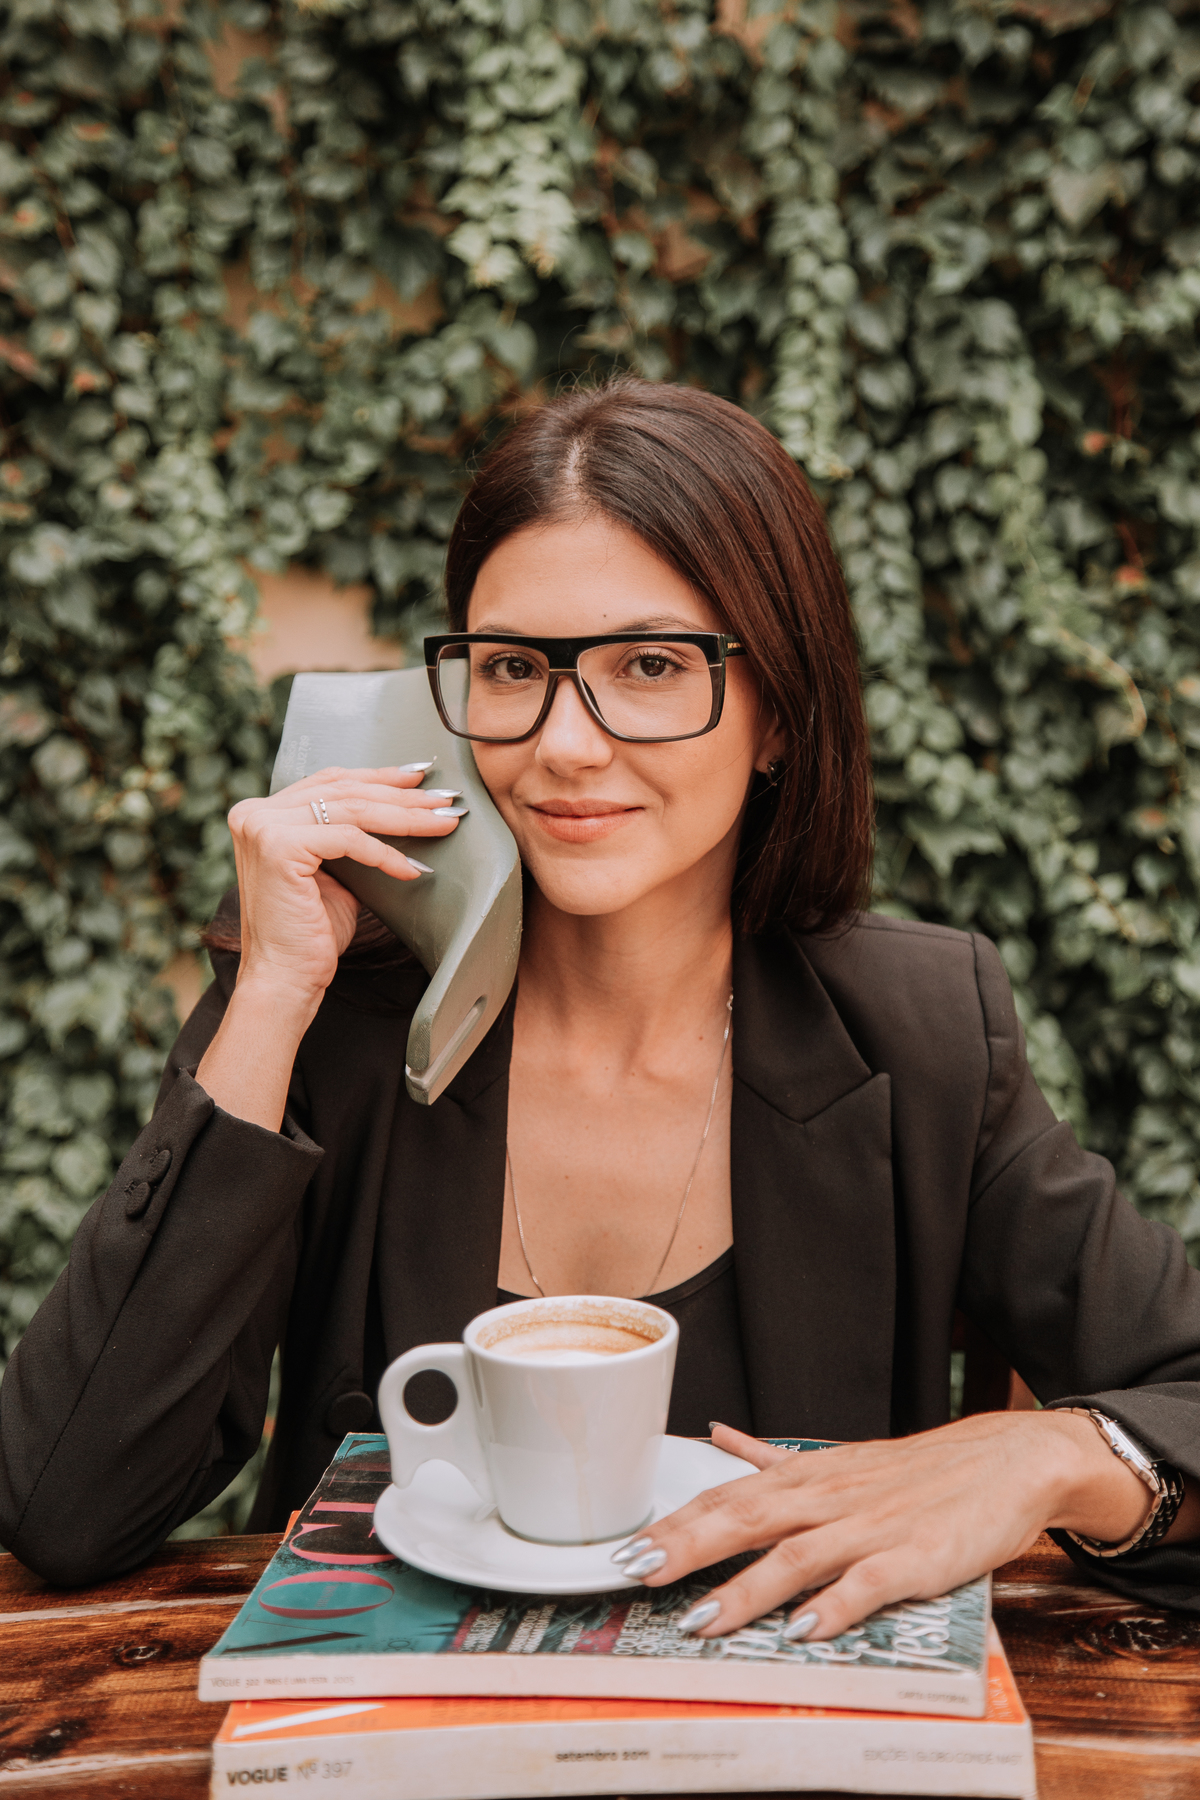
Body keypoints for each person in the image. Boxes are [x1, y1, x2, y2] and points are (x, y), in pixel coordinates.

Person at [3, 381, 1199, 1640]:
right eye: (514, 668)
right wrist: (270, 995)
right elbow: (66, 1501)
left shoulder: (923, 1029)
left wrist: (1045, 1455)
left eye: (652, 665)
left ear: (777, 714)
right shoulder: (328, 1013)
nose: (567, 745)